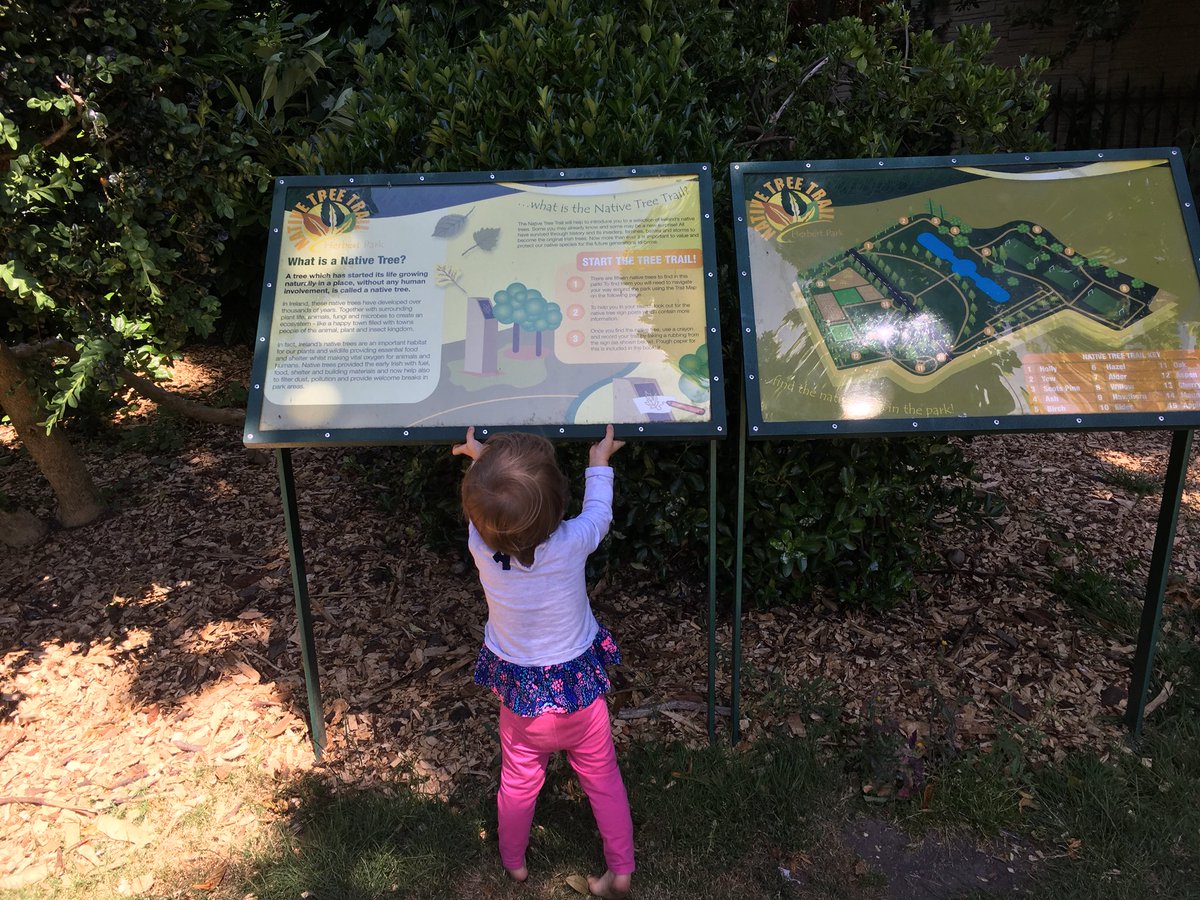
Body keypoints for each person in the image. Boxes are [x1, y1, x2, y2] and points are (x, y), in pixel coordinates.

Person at [452, 424, 633, 898]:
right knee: (603, 779)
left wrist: (479, 461)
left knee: (518, 781)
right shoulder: (572, 541)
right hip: (580, 700)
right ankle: (621, 869)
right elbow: (598, 515)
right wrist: (599, 463)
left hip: (523, 705)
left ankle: (513, 862)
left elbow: (489, 511)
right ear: (556, 507)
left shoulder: (481, 548)